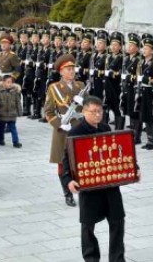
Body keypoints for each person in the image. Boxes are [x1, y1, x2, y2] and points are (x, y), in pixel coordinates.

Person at [62, 96, 140, 262]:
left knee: (118, 222)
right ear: (84, 112)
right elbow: (66, 161)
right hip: (89, 186)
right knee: (88, 226)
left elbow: (123, 151)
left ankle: (117, 258)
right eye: (93, 112)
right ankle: (91, 258)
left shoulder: (105, 128)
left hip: (110, 185)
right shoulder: (75, 133)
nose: (98, 115)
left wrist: (135, 170)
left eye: (100, 111)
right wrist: (69, 180)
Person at [45, 54, 86, 207]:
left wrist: (85, 101)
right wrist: (59, 124)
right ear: (61, 72)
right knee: (63, 164)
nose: (71, 71)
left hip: (80, 128)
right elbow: (48, 112)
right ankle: (67, 194)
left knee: (81, 161)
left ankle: (82, 189)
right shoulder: (54, 88)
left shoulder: (81, 86)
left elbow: (90, 107)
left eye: (73, 69)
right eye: (68, 69)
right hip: (63, 130)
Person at [0, 75, 23, 148]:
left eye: (11, 82)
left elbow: (18, 102)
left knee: (13, 128)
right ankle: (1, 140)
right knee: (1, 128)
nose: (10, 84)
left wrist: (20, 112)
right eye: (8, 82)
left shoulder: (15, 92)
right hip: (2, 114)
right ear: (4, 83)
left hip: (12, 114)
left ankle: (15, 142)